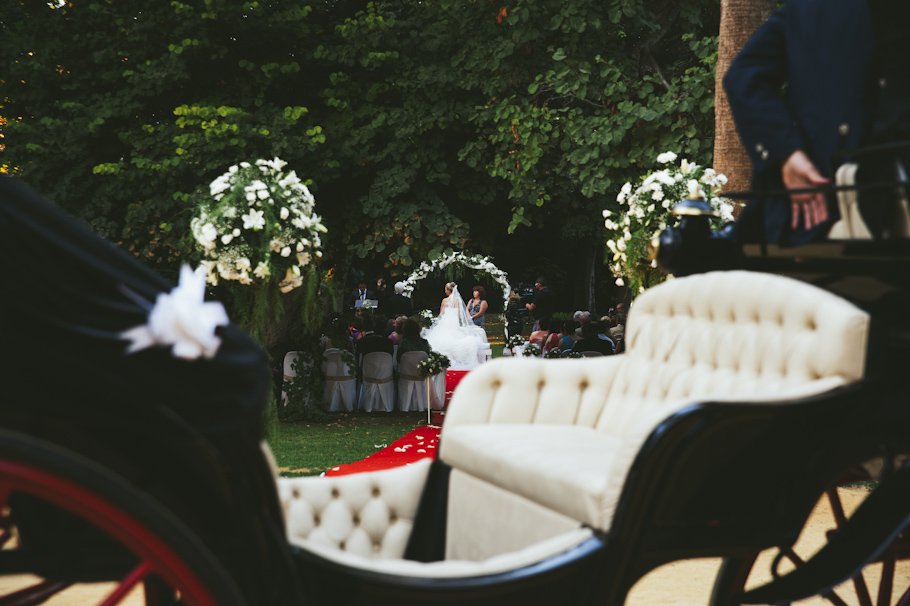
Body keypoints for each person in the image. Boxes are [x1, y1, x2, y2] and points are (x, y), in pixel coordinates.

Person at [723, 1, 910, 245]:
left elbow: (744, 76)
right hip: (830, 205)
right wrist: (787, 151)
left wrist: (787, 153)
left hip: (826, 209)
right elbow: (744, 77)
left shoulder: (808, 7)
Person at [424, 282, 489, 370]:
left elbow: (441, 313)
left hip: (446, 320)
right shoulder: (458, 300)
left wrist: (437, 320)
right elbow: (459, 313)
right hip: (454, 320)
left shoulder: (445, 300)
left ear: (448, 290)